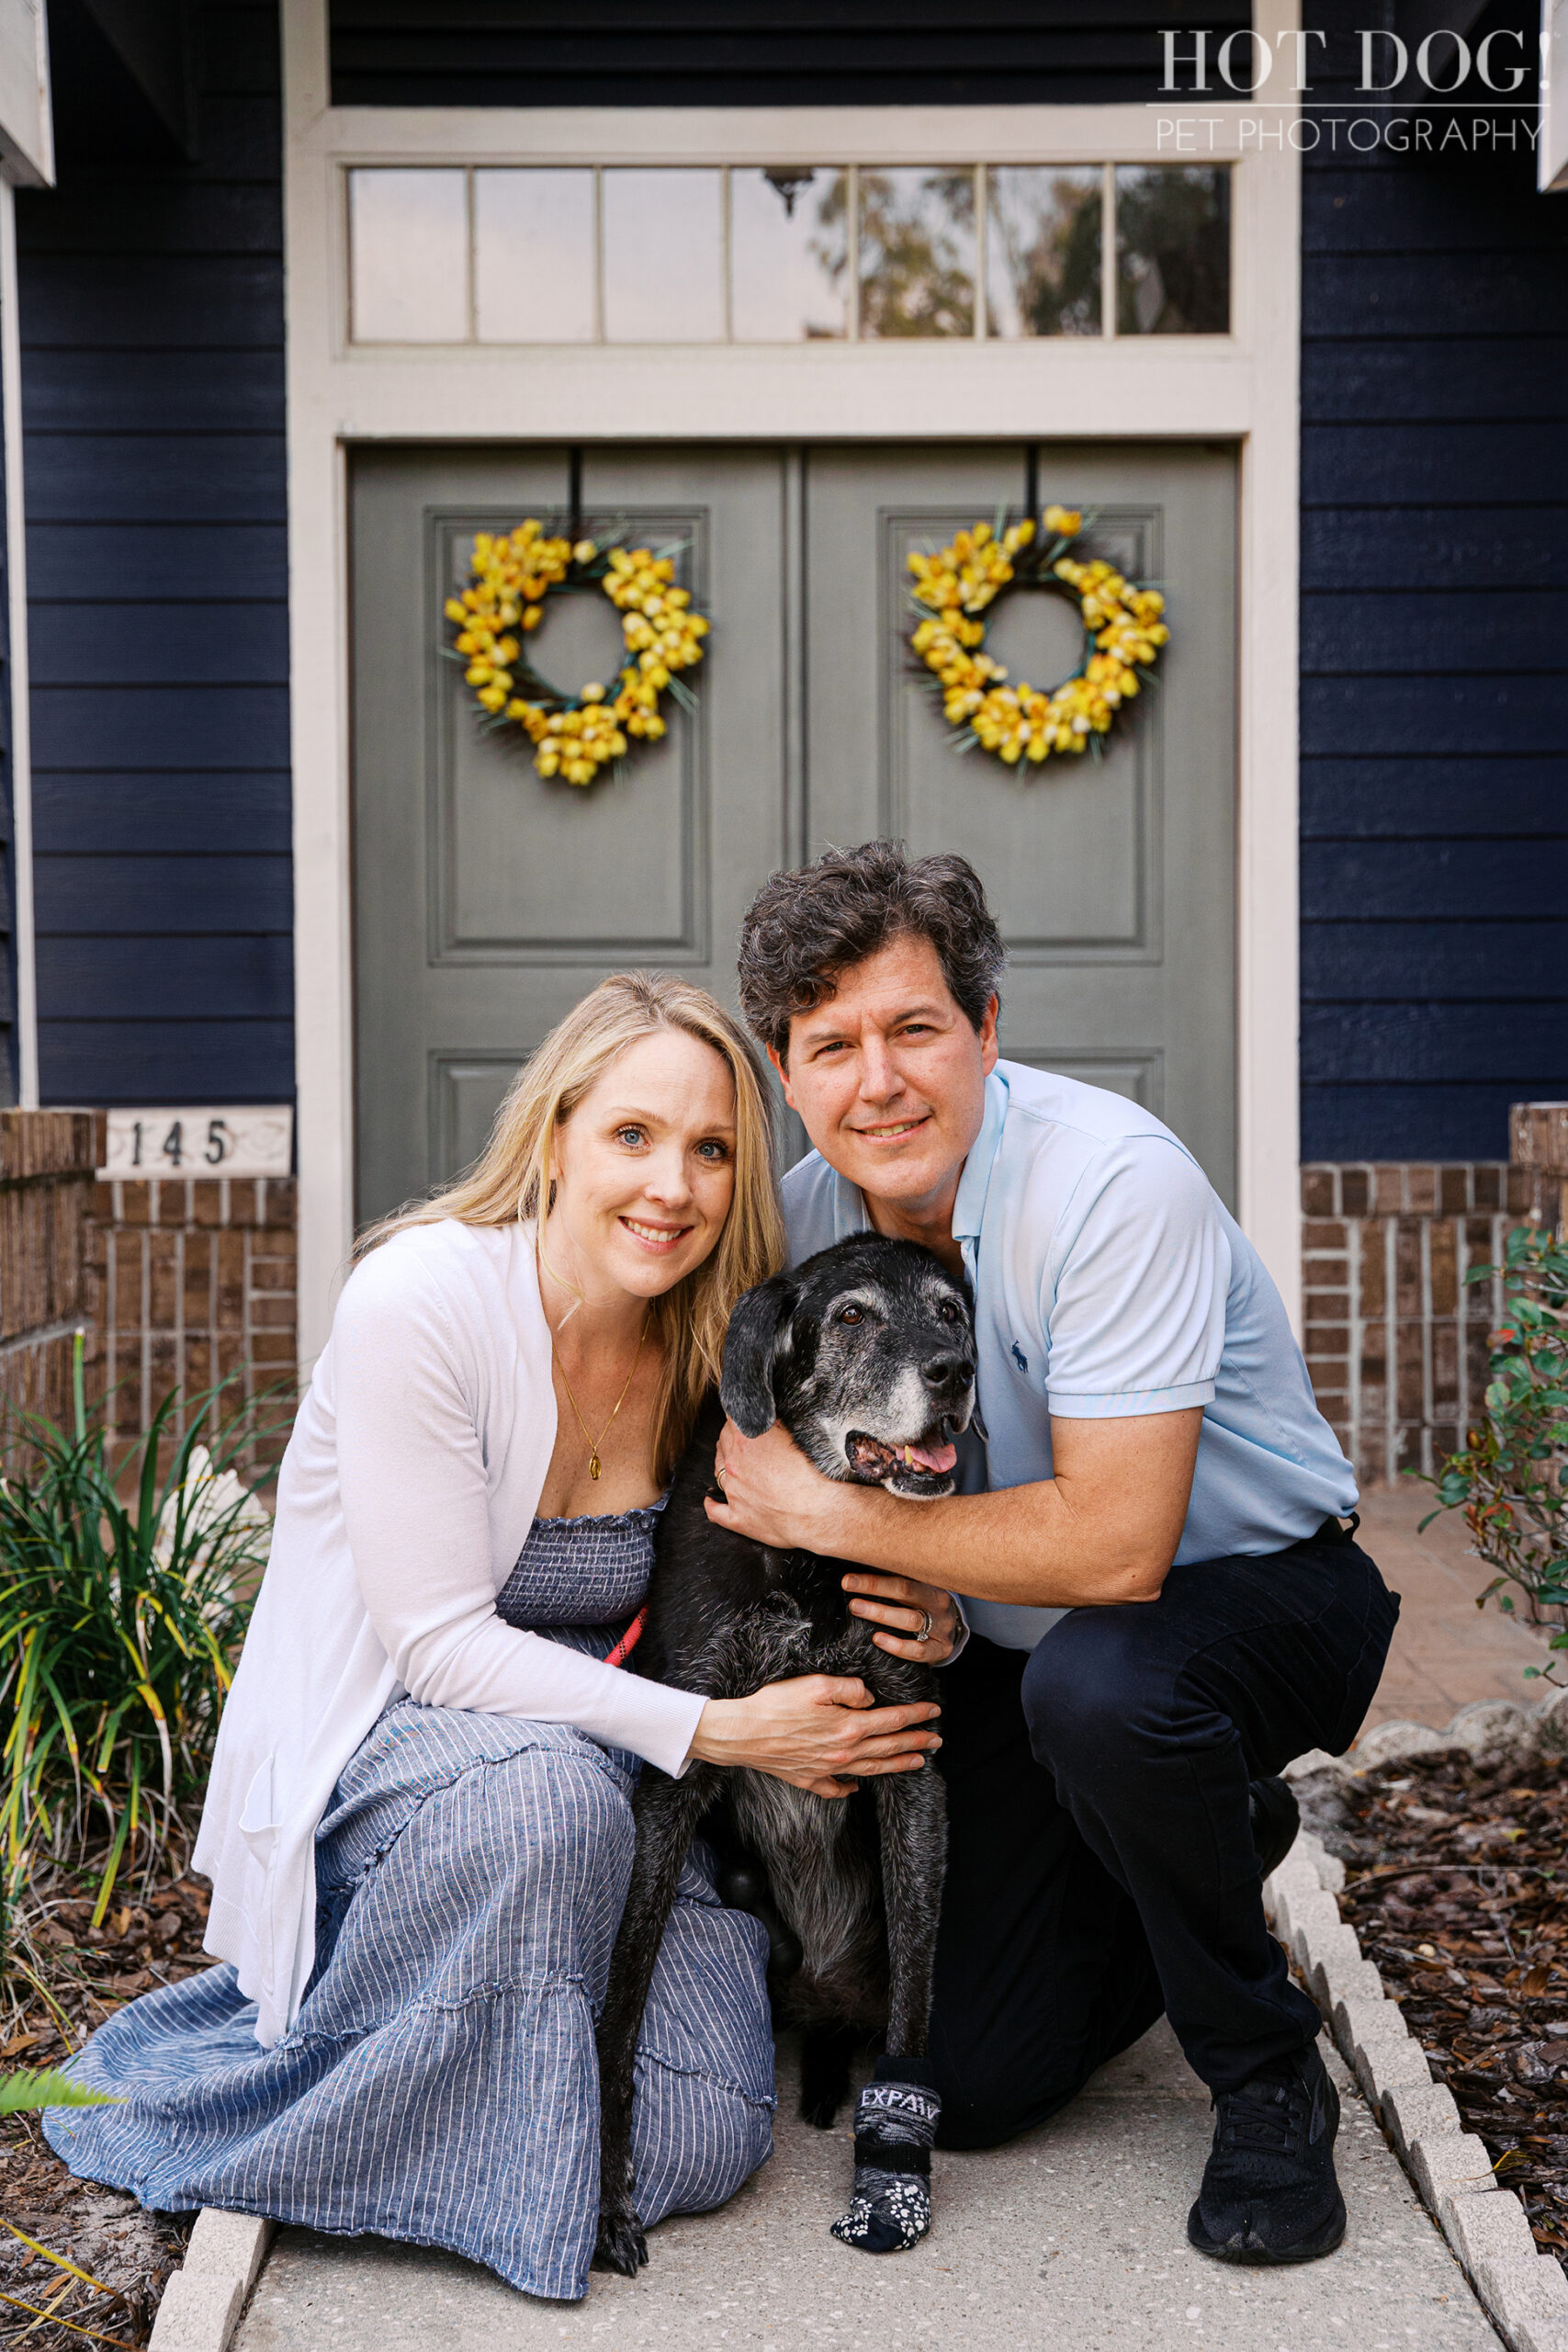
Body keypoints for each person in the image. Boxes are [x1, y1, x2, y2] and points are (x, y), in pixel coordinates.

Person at [45, 972, 958, 2302]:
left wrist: (925, 1594)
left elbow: (816, 1522)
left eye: (711, 1150)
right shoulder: (420, 1300)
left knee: (705, 2125)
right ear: (554, 1138)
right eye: (632, 1137)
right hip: (414, 1763)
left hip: (612, 1776)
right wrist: (721, 1729)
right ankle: (476, 2150)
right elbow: (435, 1647)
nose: (673, 1186)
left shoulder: (709, 1339)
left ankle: (485, 2116)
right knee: (544, 1802)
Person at [711, 842, 1399, 2267]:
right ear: (789, 1072)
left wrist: (834, 1517)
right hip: (1010, 1652)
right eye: (830, 1046)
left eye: (913, 1029)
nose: (877, 1080)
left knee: (1111, 1690)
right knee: (971, 2080)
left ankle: (1266, 2072)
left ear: (986, 1033)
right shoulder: (806, 1217)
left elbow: (1117, 1546)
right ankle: (1205, 1835)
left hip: (1248, 1601)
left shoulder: (1109, 1187)